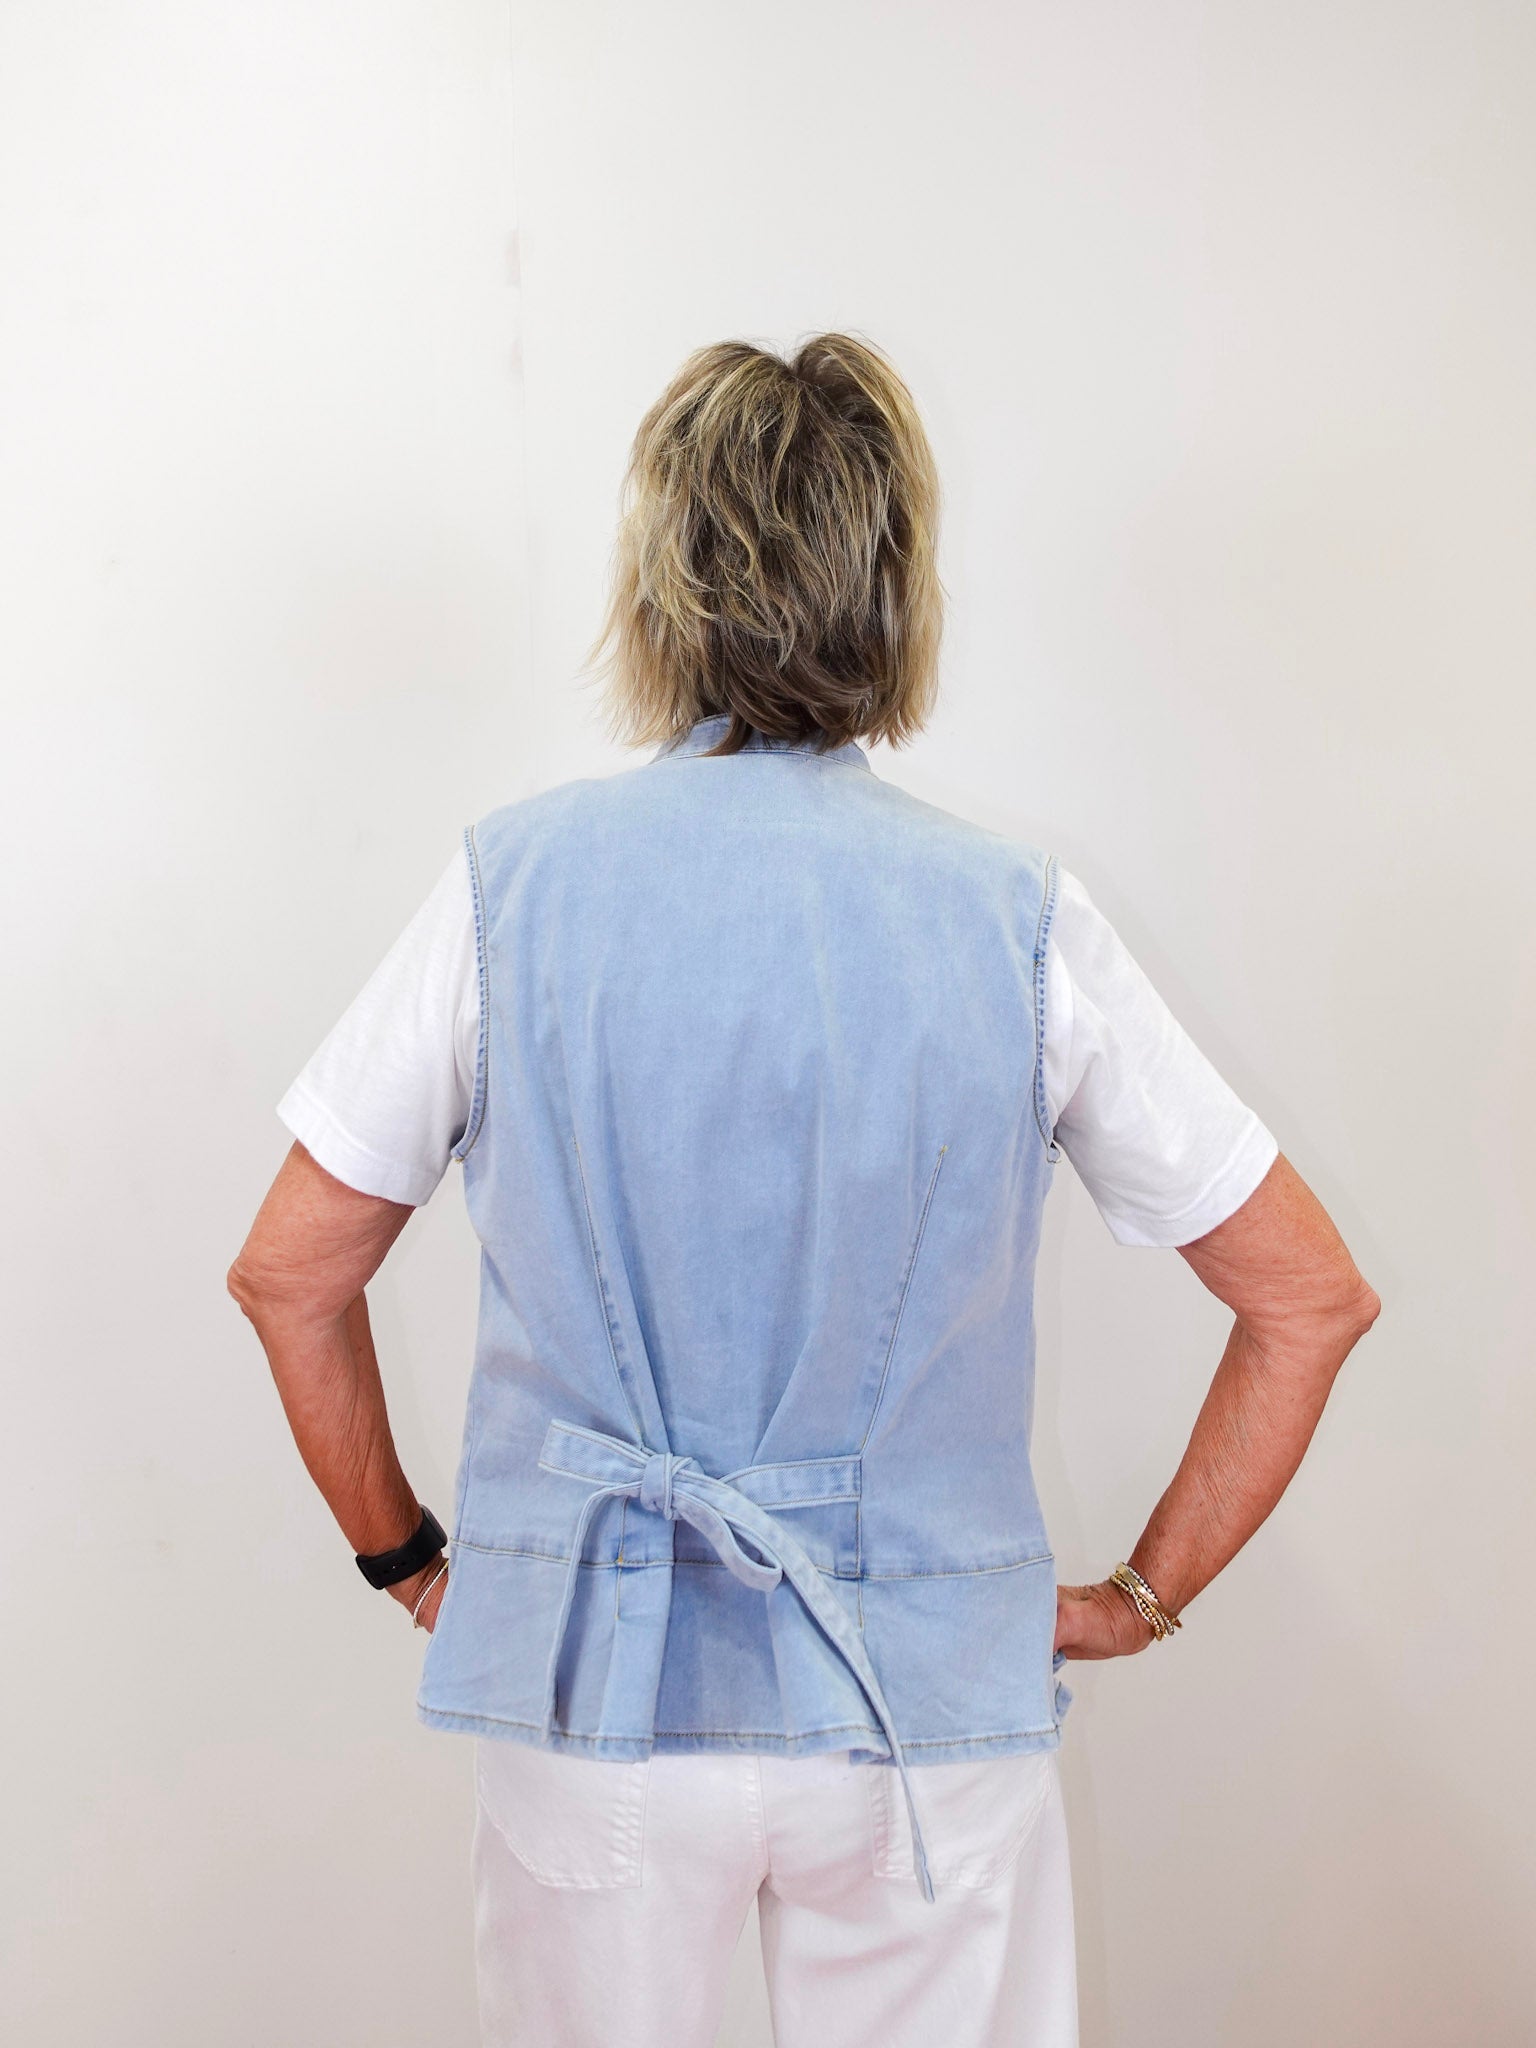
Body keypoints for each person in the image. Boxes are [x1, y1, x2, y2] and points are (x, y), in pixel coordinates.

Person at [228, 334, 1380, 2048]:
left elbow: (289, 1273)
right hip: (919, 1709)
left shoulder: (510, 892)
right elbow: (1307, 1296)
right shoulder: (1017, 919)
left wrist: (410, 1557)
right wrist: (1136, 1597)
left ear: (657, 587)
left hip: (594, 1691)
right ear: (895, 587)